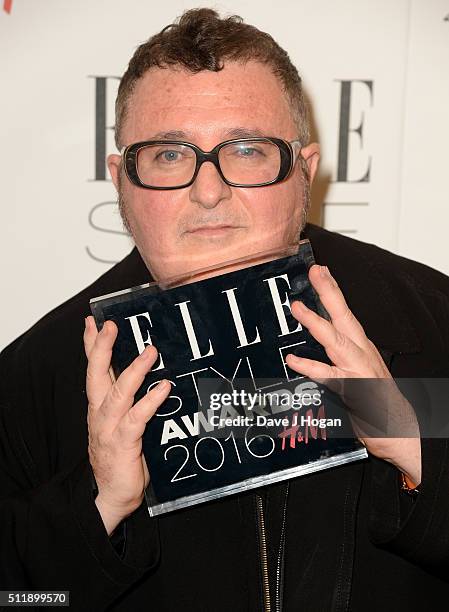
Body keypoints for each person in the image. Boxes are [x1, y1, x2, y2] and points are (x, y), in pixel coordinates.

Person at [1, 8, 449, 611]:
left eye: (245, 150)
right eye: (167, 155)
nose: (208, 191)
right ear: (119, 179)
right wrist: (99, 507)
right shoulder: (31, 383)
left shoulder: (433, 324)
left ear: (304, 172)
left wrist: (416, 448)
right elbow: (27, 599)